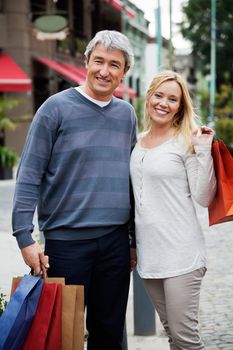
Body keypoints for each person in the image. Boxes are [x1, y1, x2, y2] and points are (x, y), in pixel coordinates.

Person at [12, 30, 137, 350]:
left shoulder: (127, 115)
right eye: (98, 61)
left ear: (124, 72)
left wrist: (133, 241)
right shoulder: (54, 108)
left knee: (108, 333)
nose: (104, 71)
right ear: (86, 61)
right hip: (64, 245)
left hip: (114, 244)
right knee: (60, 335)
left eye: (114, 65)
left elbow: (134, 182)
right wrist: (24, 237)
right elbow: (28, 174)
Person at [130, 70, 217, 349]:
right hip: (150, 258)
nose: (163, 103)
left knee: (186, 339)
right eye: (159, 95)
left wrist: (203, 151)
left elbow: (203, 198)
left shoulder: (185, 141)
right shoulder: (138, 143)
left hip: (182, 255)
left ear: (180, 107)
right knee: (173, 336)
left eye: (172, 99)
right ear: (148, 97)